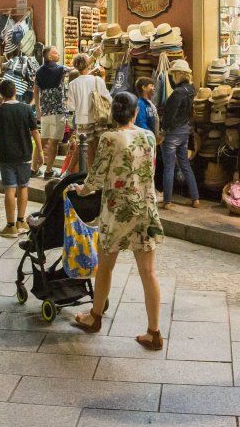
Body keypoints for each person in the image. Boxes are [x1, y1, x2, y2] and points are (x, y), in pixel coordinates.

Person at [70, 91, 165, 350]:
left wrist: (82, 190)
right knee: (149, 272)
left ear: (113, 113)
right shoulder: (148, 137)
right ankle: (154, 332)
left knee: (106, 266)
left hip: (116, 211)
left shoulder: (108, 138)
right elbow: (149, 171)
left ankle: (95, 316)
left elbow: (97, 176)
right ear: (135, 113)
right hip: (145, 209)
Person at [0, 78, 41, 238]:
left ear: (2, 94)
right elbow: (34, 131)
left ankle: (10, 226)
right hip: (24, 154)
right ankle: (21, 222)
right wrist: (40, 151)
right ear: (15, 92)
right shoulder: (25, 109)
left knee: (10, 189)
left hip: (6, 155)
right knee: (23, 187)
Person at [158, 59, 198, 209]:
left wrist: (163, 132)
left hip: (172, 133)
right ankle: (195, 198)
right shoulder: (191, 90)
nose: (172, 77)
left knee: (168, 166)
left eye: (174, 74)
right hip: (184, 131)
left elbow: (169, 116)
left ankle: (167, 201)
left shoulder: (178, 93)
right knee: (185, 164)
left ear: (179, 74)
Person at [65, 54, 111, 170]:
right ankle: (102, 172)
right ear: (88, 64)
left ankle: (91, 175)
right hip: (99, 118)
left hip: (82, 120)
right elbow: (108, 99)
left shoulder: (72, 84)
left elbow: (71, 107)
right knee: (100, 147)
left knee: (89, 149)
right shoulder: (97, 80)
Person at [34, 46, 71, 178]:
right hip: (58, 111)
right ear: (49, 57)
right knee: (54, 143)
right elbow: (77, 69)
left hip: (45, 112)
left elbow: (36, 91)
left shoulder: (38, 71)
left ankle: (34, 168)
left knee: (42, 141)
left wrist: (38, 110)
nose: (57, 53)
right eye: (55, 52)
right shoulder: (61, 69)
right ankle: (49, 170)